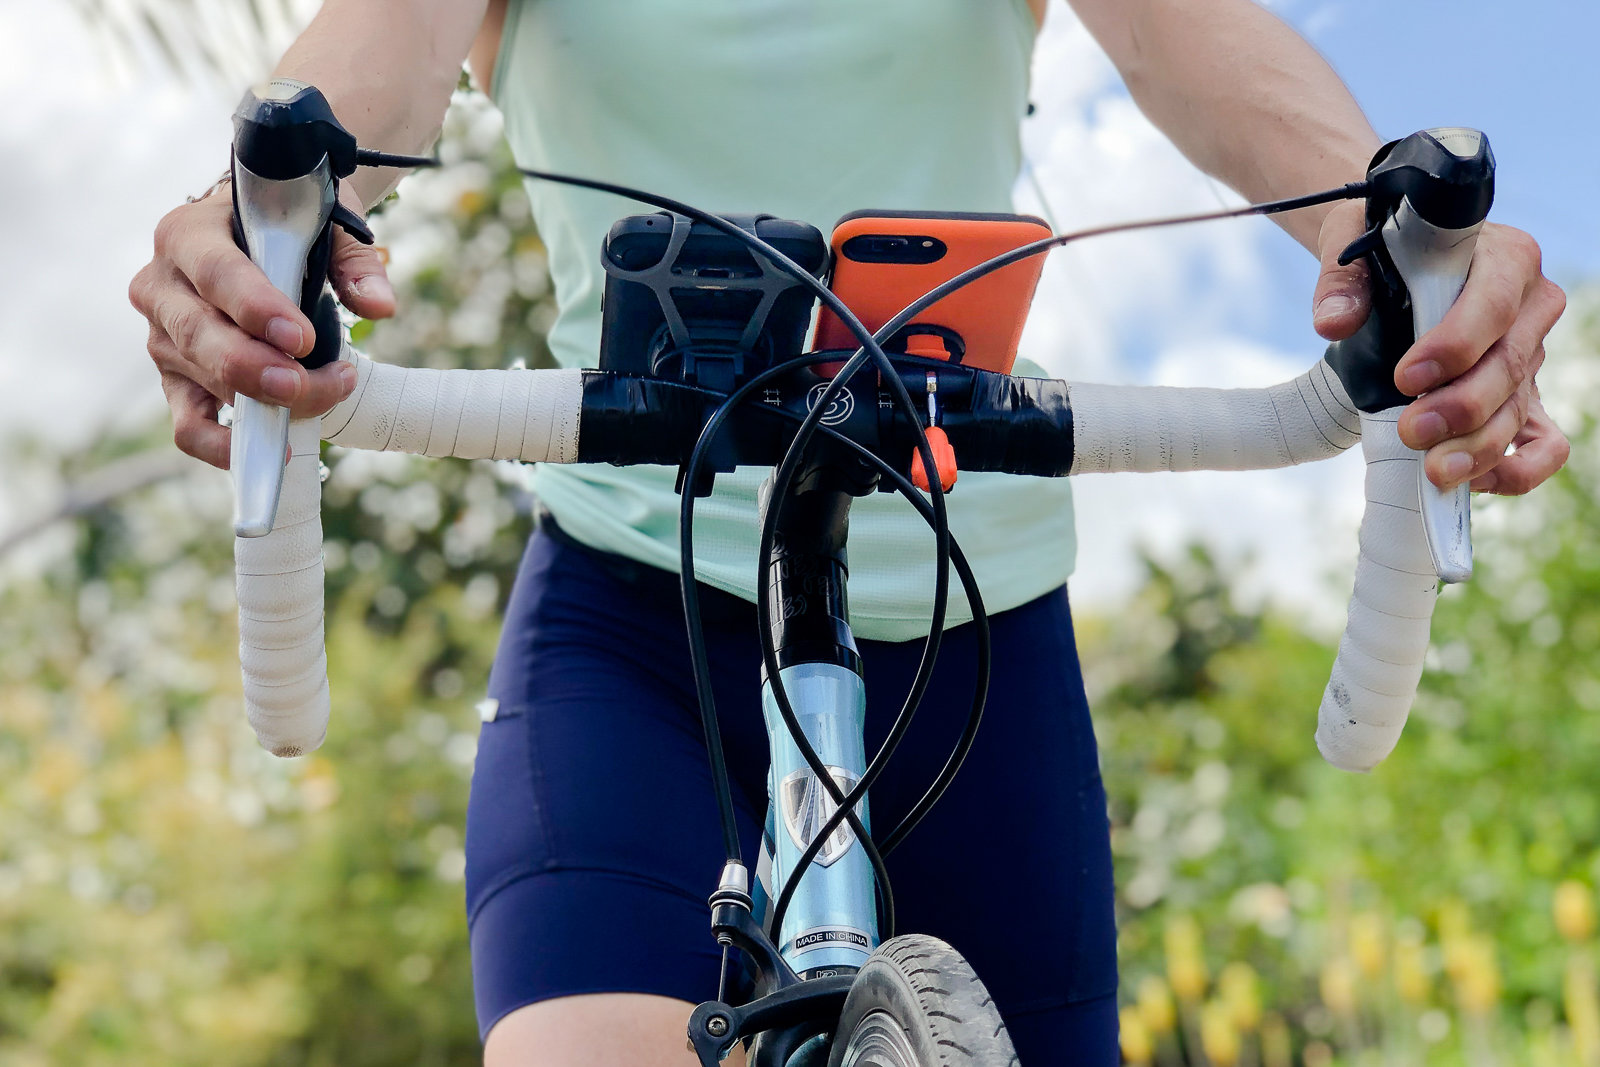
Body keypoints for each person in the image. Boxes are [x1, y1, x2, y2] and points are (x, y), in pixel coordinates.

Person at [128, 1, 1570, 1063]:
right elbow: (361, 77)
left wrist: (1382, 235)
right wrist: (260, 221)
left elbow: (1189, 42)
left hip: (977, 640)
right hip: (640, 622)